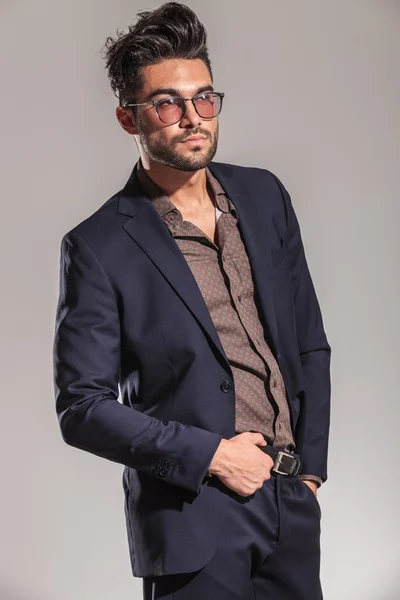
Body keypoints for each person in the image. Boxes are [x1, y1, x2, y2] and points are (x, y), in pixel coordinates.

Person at [52, 2, 331, 598]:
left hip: (288, 507)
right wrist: (211, 456)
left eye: (204, 98)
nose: (192, 118)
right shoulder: (98, 245)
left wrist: (308, 472)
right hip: (191, 516)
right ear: (130, 119)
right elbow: (82, 407)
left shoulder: (263, 196)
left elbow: (307, 341)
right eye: (167, 104)